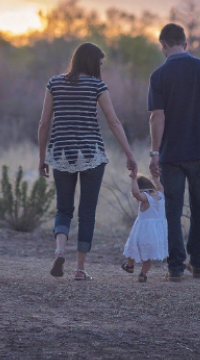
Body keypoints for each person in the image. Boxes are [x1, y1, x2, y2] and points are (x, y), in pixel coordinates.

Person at [38, 43, 138, 280]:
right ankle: (80, 269)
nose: (101, 68)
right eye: (100, 63)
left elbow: (43, 123)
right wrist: (129, 154)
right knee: (87, 212)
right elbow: (113, 122)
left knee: (63, 208)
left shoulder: (54, 83)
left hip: (61, 154)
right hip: (92, 154)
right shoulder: (97, 85)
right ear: (92, 62)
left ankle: (60, 249)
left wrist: (42, 157)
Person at [147, 24, 200, 282]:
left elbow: (157, 117)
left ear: (163, 45)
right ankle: (198, 263)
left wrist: (154, 152)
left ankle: (175, 267)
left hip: (172, 155)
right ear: (186, 44)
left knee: (172, 210)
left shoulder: (159, 75)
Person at [121, 173, 168, 283]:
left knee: (131, 247)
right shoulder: (160, 196)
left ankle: (129, 265)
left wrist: (133, 180)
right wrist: (156, 179)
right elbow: (160, 187)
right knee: (148, 256)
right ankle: (142, 274)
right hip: (156, 233)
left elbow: (136, 193)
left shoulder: (145, 198)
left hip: (142, 231)